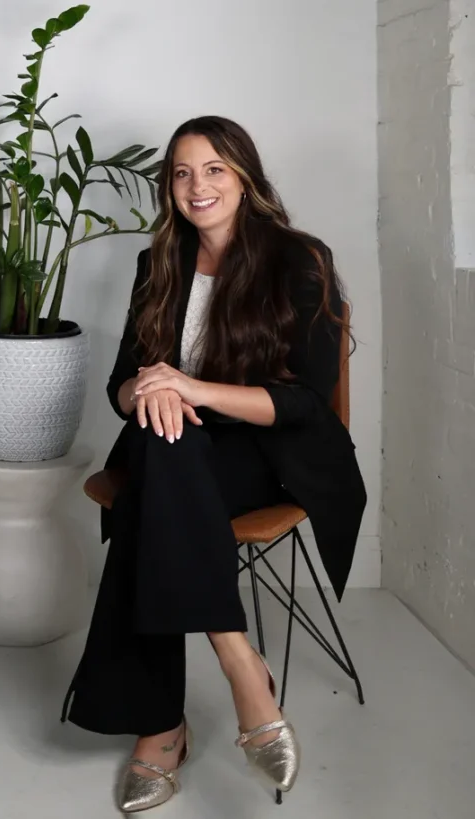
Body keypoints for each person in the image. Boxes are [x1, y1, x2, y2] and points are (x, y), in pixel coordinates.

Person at [60, 116, 366, 811]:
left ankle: (160, 730)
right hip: (174, 442)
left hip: (266, 451)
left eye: (214, 169)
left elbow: (306, 401)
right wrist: (146, 388)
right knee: (166, 441)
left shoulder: (297, 259)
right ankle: (239, 658)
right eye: (181, 172)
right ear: (169, 186)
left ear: (245, 176)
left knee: (153, 492)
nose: (197, 186)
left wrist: (188, 386)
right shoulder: (158, 263)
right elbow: (120, 384)